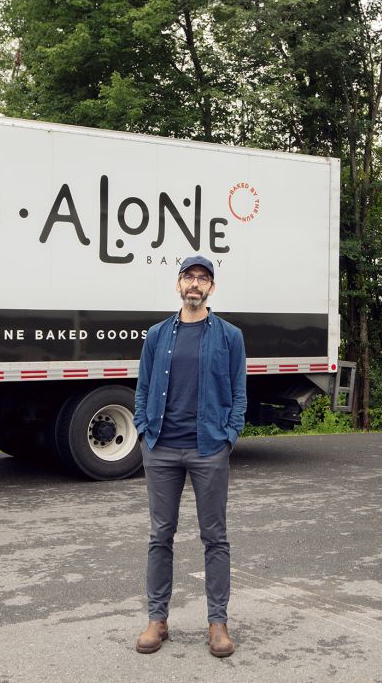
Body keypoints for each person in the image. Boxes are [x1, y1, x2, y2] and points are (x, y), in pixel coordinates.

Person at [132, 255, 247, 658]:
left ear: (211, 288)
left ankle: (217, 624)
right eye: (189, 277)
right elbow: (143, 388)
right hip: (161, 448)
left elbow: (239, 392)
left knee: (215, 537)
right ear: (178, 284)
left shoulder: (230, 336)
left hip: (208, 448)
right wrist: (144, 432)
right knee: (160, 535)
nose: (195, 284)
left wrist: (228, 437)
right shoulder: (157, 334)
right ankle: (157, 620)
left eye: (203, 278)